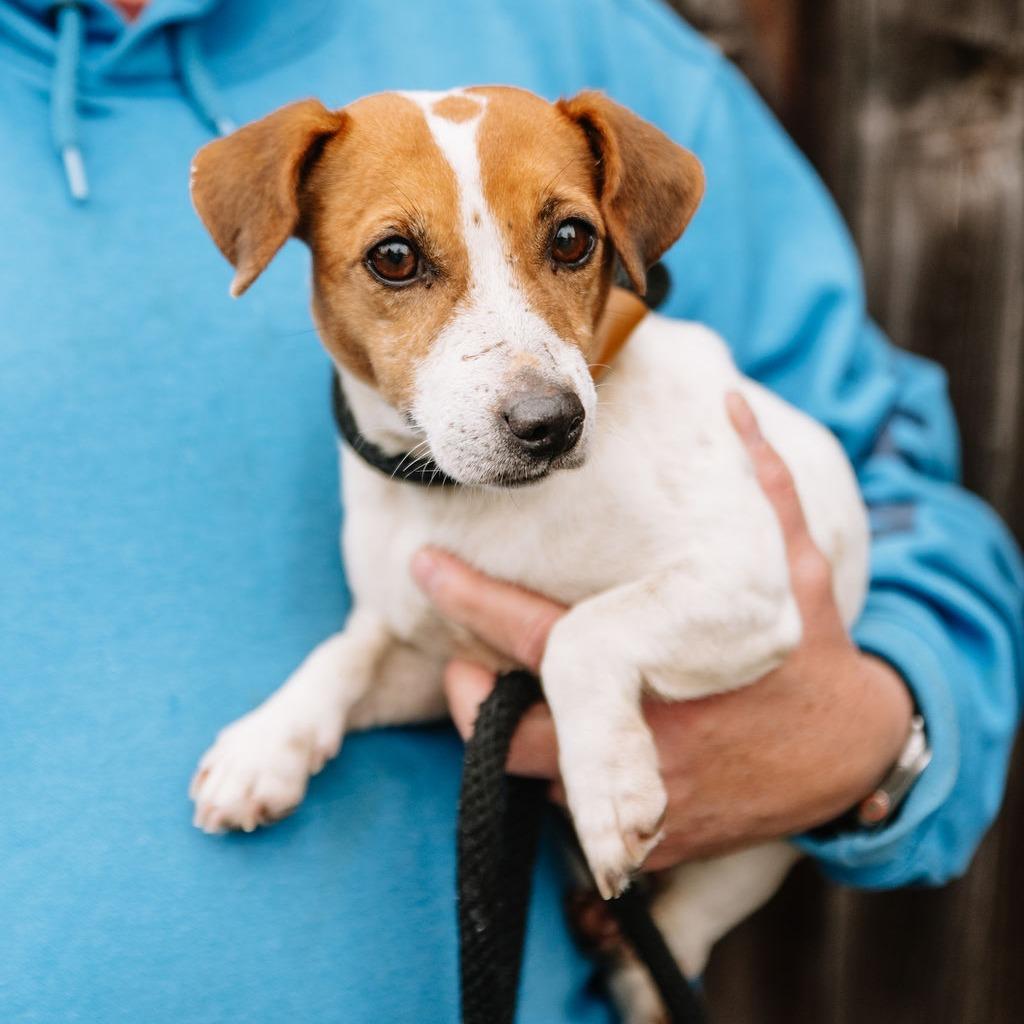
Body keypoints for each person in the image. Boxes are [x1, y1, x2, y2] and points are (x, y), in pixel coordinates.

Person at [1, 1, 1021, 1022]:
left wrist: (874, 731)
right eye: (399, 261)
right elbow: (418, 632)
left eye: (568, 242)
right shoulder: (378, 434)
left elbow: (909, 487)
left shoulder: (582, 37)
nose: (533, 383)